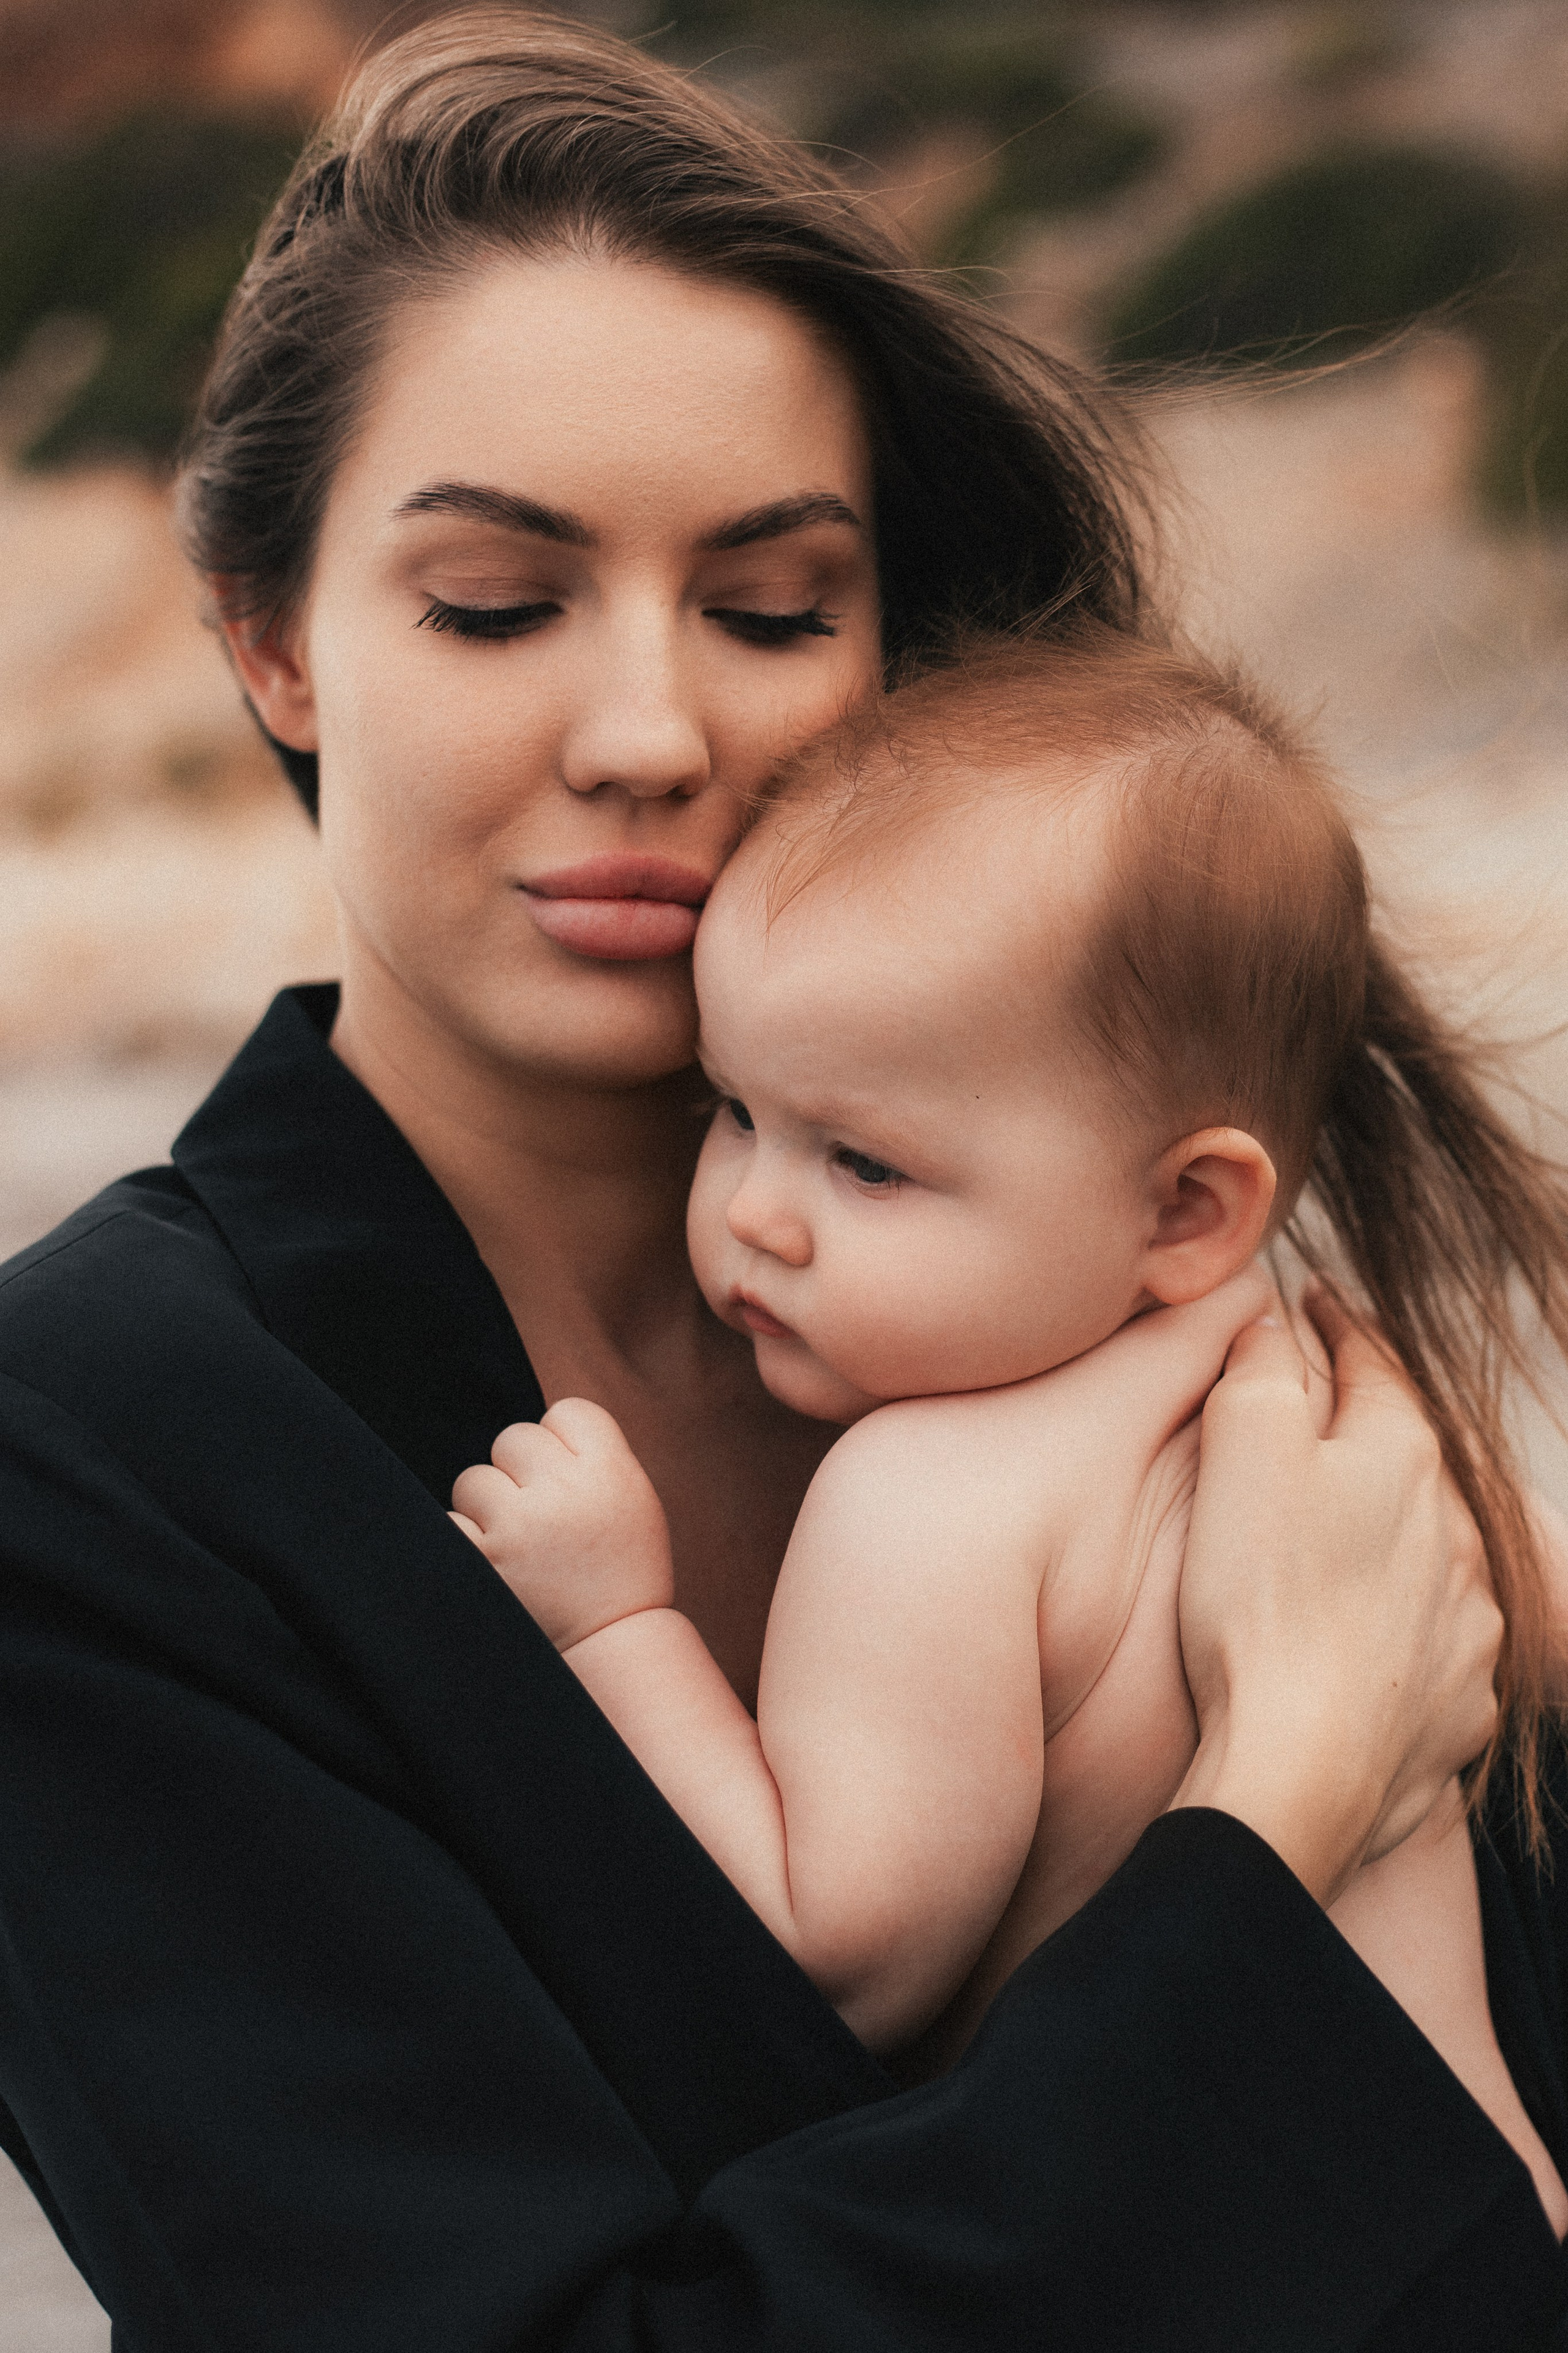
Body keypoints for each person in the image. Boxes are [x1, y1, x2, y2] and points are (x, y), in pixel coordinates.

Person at [0, 12, 1558, 2346]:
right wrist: (1288, 1787)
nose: (652, 734)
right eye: (499, 604)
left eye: (769, 608)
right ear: (269, 637)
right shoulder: (94, 1450)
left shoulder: (1132, 1287)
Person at [454, 630, 1568, 2236]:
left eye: (867, 1164)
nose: (754, 1214)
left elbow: (835, 1954)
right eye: (734, 1110)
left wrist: (614, 1616)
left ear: (1187, 1206)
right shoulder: (1323, 1397)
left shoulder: (930, 1498)